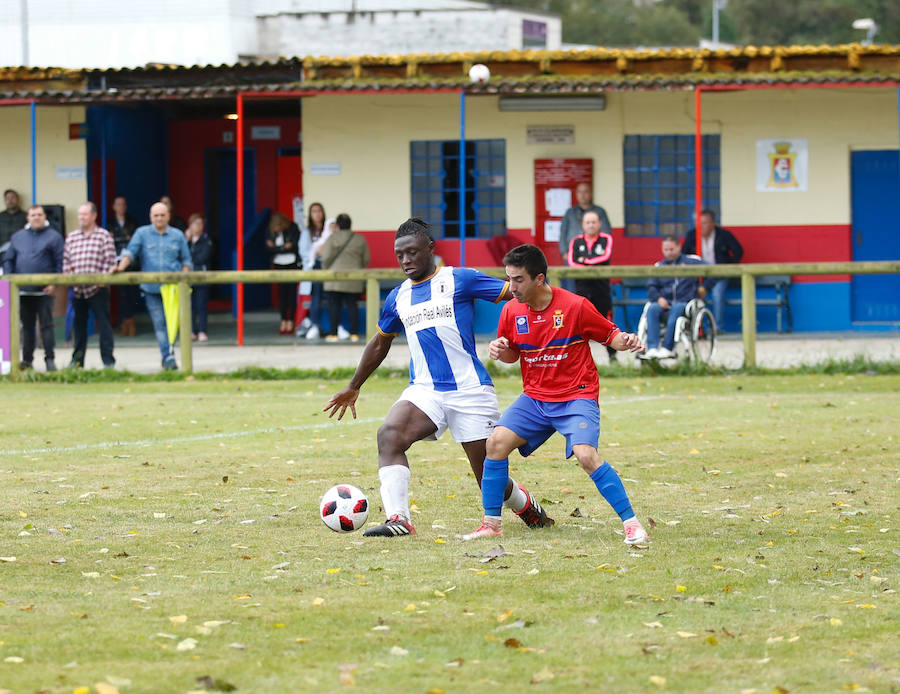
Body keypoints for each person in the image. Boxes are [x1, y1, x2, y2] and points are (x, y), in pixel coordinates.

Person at [324, 218, 554, 538]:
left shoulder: (461, 279)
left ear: (431, 249)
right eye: (399, 255)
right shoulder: (398, 297)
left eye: (413, 253)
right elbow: (381, 341)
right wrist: (353, 385)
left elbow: (519, 293)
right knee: (389, 434)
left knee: (490, 480)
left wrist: (539, 334)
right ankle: (399, 519)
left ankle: (524, 504)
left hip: (471, 390)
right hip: (425, 390)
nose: (405, 261)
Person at [463, 244, 649, 545]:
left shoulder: (575, 306)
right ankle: (491, 523)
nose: (511, 287)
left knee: (586, 456)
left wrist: (626, 340)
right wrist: (501, 350)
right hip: (535, 398)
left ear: (539, 279)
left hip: (577, 395)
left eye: (518, 280)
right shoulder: (511, 309)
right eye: (508, 279)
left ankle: (632, 524)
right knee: (495, 444)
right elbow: (512, 353)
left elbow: (610, 336)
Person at [114, 202, 192, 370]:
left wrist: (185, 280)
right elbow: (130, 253)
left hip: (173, 288)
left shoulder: (178, 235)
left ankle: (170, 353)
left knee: (174, 324)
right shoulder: (142, 233)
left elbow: (186, 261)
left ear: (168, 216)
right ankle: (168, 357)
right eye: (156, 215)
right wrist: (120, 268)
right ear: (150, 217)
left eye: (162, 215)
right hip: (151, 289)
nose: (159, 218)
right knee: (159, 323)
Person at [2, 205, 64, 371]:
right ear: (27, 218)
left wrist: (54, 284)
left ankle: (49, 360)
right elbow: (8, 260)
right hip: (23, 291)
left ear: (45, 216)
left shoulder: (54, 237)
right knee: (27, 327)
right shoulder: (17, 237)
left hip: (44, 291)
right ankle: (27, 361)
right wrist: (10, 280)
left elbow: (60, 262)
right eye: (33, 215)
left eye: (39, 214)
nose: (36, 217)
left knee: (47, 326)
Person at [63, 202, 117, 369]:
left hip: (98, 289)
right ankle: (77, 361)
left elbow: (110, 261)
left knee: (104, 326)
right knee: (79, 328)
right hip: (78, 290)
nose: (82, 218)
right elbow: (66, 262)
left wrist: (104, 279)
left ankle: (108, 362)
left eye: (85, 214)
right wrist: (69, 278)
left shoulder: (104, 236)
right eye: (80, 215)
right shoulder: (72, 237)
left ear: (94, 216)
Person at [642, 235, 706, 360]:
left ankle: (668, 348)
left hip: (685, 303)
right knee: (652, 309)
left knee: (677, 309)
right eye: (666, 250)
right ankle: (652, 348)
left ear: (679, 247)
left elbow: (714, 271)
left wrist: (704, 287)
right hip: (664, 304)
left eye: (672, 249)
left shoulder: (691, 262)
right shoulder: (659, 266)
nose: (669, 252)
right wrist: (658, 298)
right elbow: (651, 286)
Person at [568, 209, 618, 364]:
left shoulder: (606, 239)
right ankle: (576, 360)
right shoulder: (575, 241)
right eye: (587, 222)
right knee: (577, 324)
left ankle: (613, 357)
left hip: (601, 288)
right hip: (582, 288)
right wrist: (590, 262)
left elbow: (605, 257)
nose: (591, 225)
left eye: (593, 222)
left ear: (599, 224)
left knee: (606, 322)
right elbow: (572, 262)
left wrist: (585, 261)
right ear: (583, 225)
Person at [682, 209, 743, 331]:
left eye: (704, 223)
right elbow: (684, 254)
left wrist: (728, 267)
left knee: (717, 294)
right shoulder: (692, 235)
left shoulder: (724, 235)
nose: (700, 226)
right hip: (699, 274)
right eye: (698, 223)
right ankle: (698, 328)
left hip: (719, 274)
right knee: (694, 295)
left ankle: (716, 328)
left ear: (713, 223)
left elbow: (738, 251)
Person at [320, 213, 369, 342]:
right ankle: (354, 334)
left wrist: (326, 268)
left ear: (338, 225)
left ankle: (333, 334)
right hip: (353, 278)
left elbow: (325, 258)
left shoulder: (332, 238)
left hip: (334, 279)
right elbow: (366, 260)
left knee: (334, 306)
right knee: (352, 305)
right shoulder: (359, 239)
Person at [558, 182, 611, 271]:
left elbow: (606, 233)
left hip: (595, 258)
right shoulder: (570, 212)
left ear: (591, 194)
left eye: (585, 192)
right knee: (571, 284)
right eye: (580, 192)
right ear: (576, 194)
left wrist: (596, 255)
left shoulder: (600, 212)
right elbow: (563, 233)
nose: (582, 195)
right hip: (573, 256)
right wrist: (564, 253)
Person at [108, 195, 139, 336]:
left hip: (130, 263)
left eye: (123, 204)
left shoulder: (132, 222)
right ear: (113, 207)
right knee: (122, 294)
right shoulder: (109, 223)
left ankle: (129, 322)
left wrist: (120, 238)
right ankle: (126, 322)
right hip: (115, 262)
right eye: (118, 204)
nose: (120, 207)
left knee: (130, 293)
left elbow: (134, 242)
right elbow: (109, 241)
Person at [266, 212, 301, 335]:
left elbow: (294, 246)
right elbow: (269, 248)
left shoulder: (293, 228)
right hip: (278, 263)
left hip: (292, 263)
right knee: (282, 294)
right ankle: (283, 320)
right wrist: (283, 248)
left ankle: (291, 320)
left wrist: (278, 247)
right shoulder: (270, 231)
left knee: (291, 294)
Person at [298, 203, 329, 340]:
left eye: (319, 211)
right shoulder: (306, 232)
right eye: (314, 212)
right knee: (315, 296)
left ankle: (328, 327)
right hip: (312, 267)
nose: (317, 214)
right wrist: (316, 254)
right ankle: (314, 325)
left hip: (326, 266)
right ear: (310, 215)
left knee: (328, 297)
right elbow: (303, 252)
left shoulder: (328, 229)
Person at [186, 214, 212, 342]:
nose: (198, 226)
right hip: (188, 278)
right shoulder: (185, 240)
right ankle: (191, 331)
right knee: (189, 306)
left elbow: (202, 258)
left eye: (200, 223)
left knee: (201, 305)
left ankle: (202, 331)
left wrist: (189, 261)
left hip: (201, 277)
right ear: (190, 225)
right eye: (195, 223)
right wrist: (186, 240)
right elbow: (181, 256)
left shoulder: (206, 239)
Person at [0, 189, 28, 253]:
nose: (10, 200)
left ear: (18, 200)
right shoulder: (1, 216)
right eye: (7, 198)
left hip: (20, 251)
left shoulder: (26, 216)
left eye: (12, 197)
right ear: (4, 200)